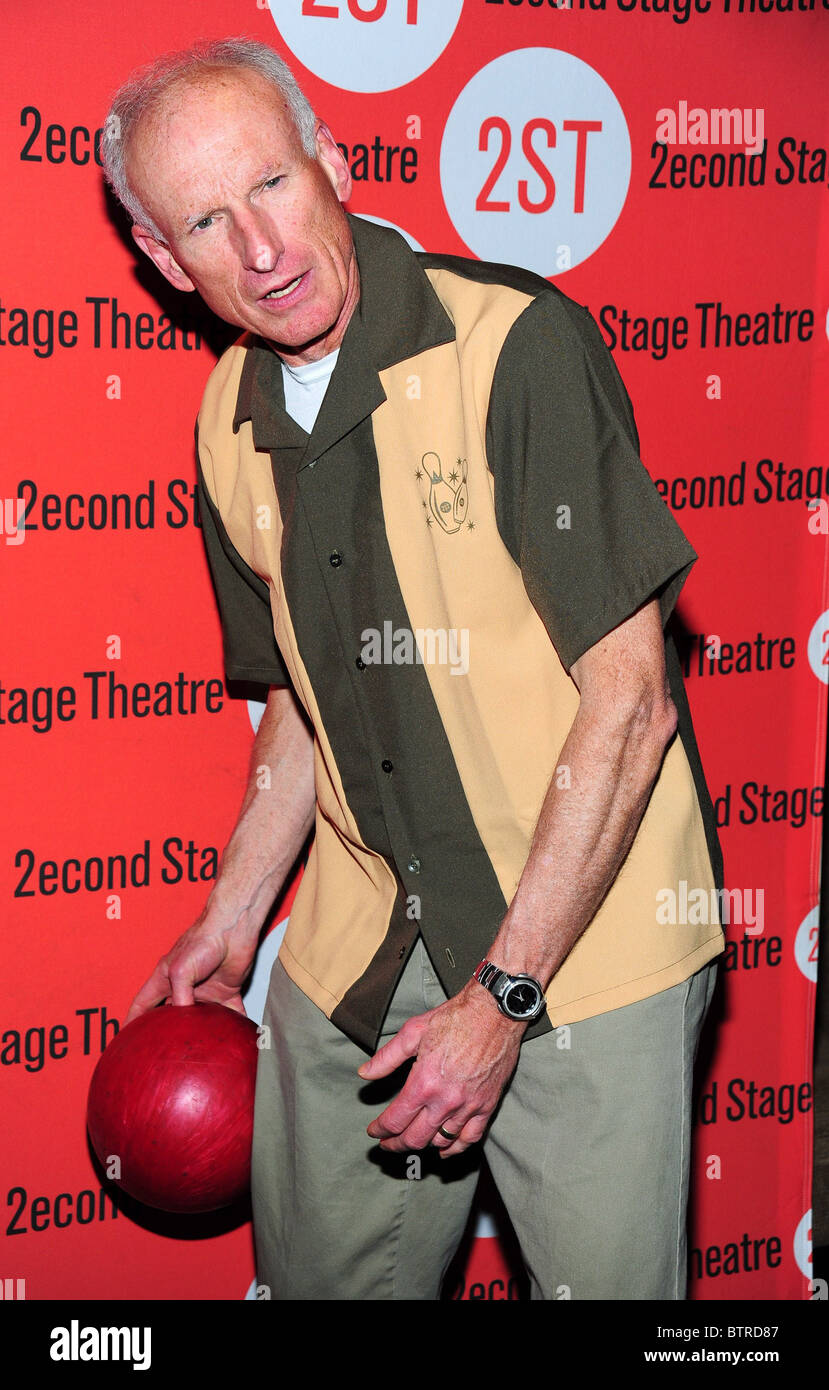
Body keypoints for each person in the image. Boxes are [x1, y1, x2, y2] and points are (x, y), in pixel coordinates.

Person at [103, 38, 725, 1301]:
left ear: (333, 163)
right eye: (207, 223)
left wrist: (503, 996)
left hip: (584, 944)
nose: (261, 249)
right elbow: (300, 697)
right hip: (365, 944)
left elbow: (631, 704)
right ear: (165, 260)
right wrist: (233, 915)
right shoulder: (225, 422)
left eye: (272, 183)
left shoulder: (514, 345)